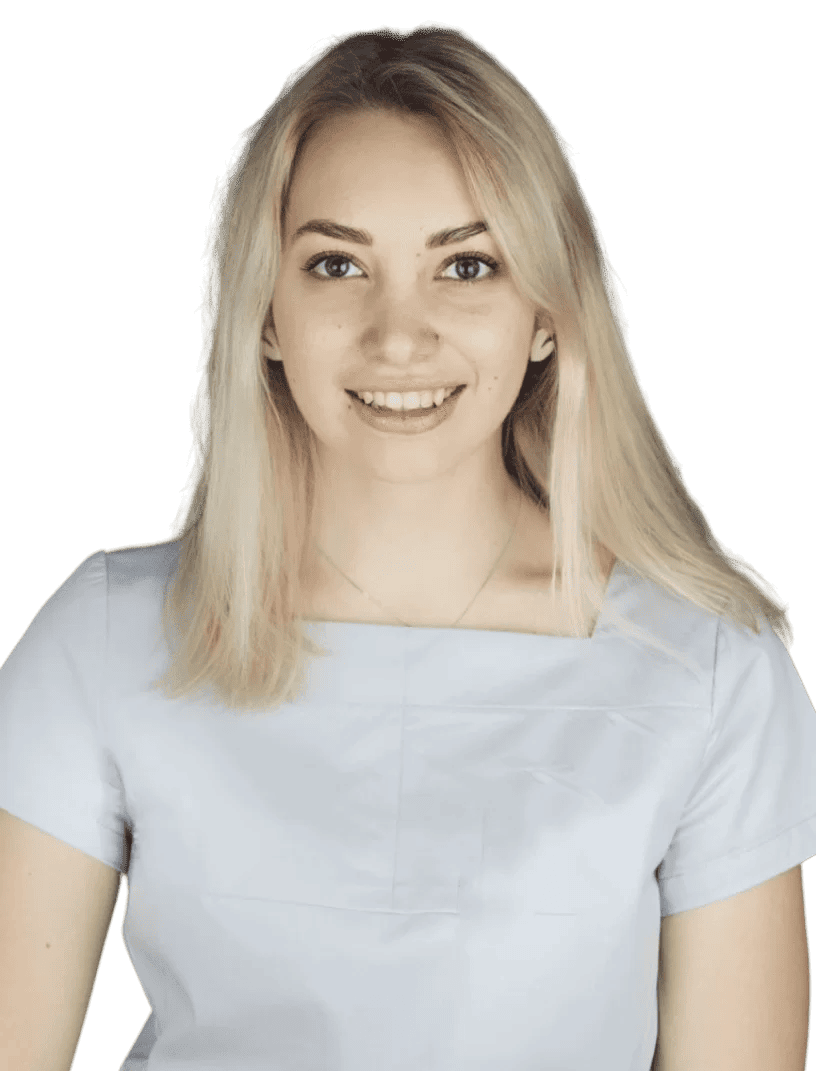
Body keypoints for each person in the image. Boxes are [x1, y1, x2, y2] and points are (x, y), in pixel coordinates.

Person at [0, 22, 813, 1071]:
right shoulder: (106, 641)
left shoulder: (706, 672)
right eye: (336, 265)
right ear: (266, 311)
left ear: (547, 311)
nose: (399, 336)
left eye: (466, 265)